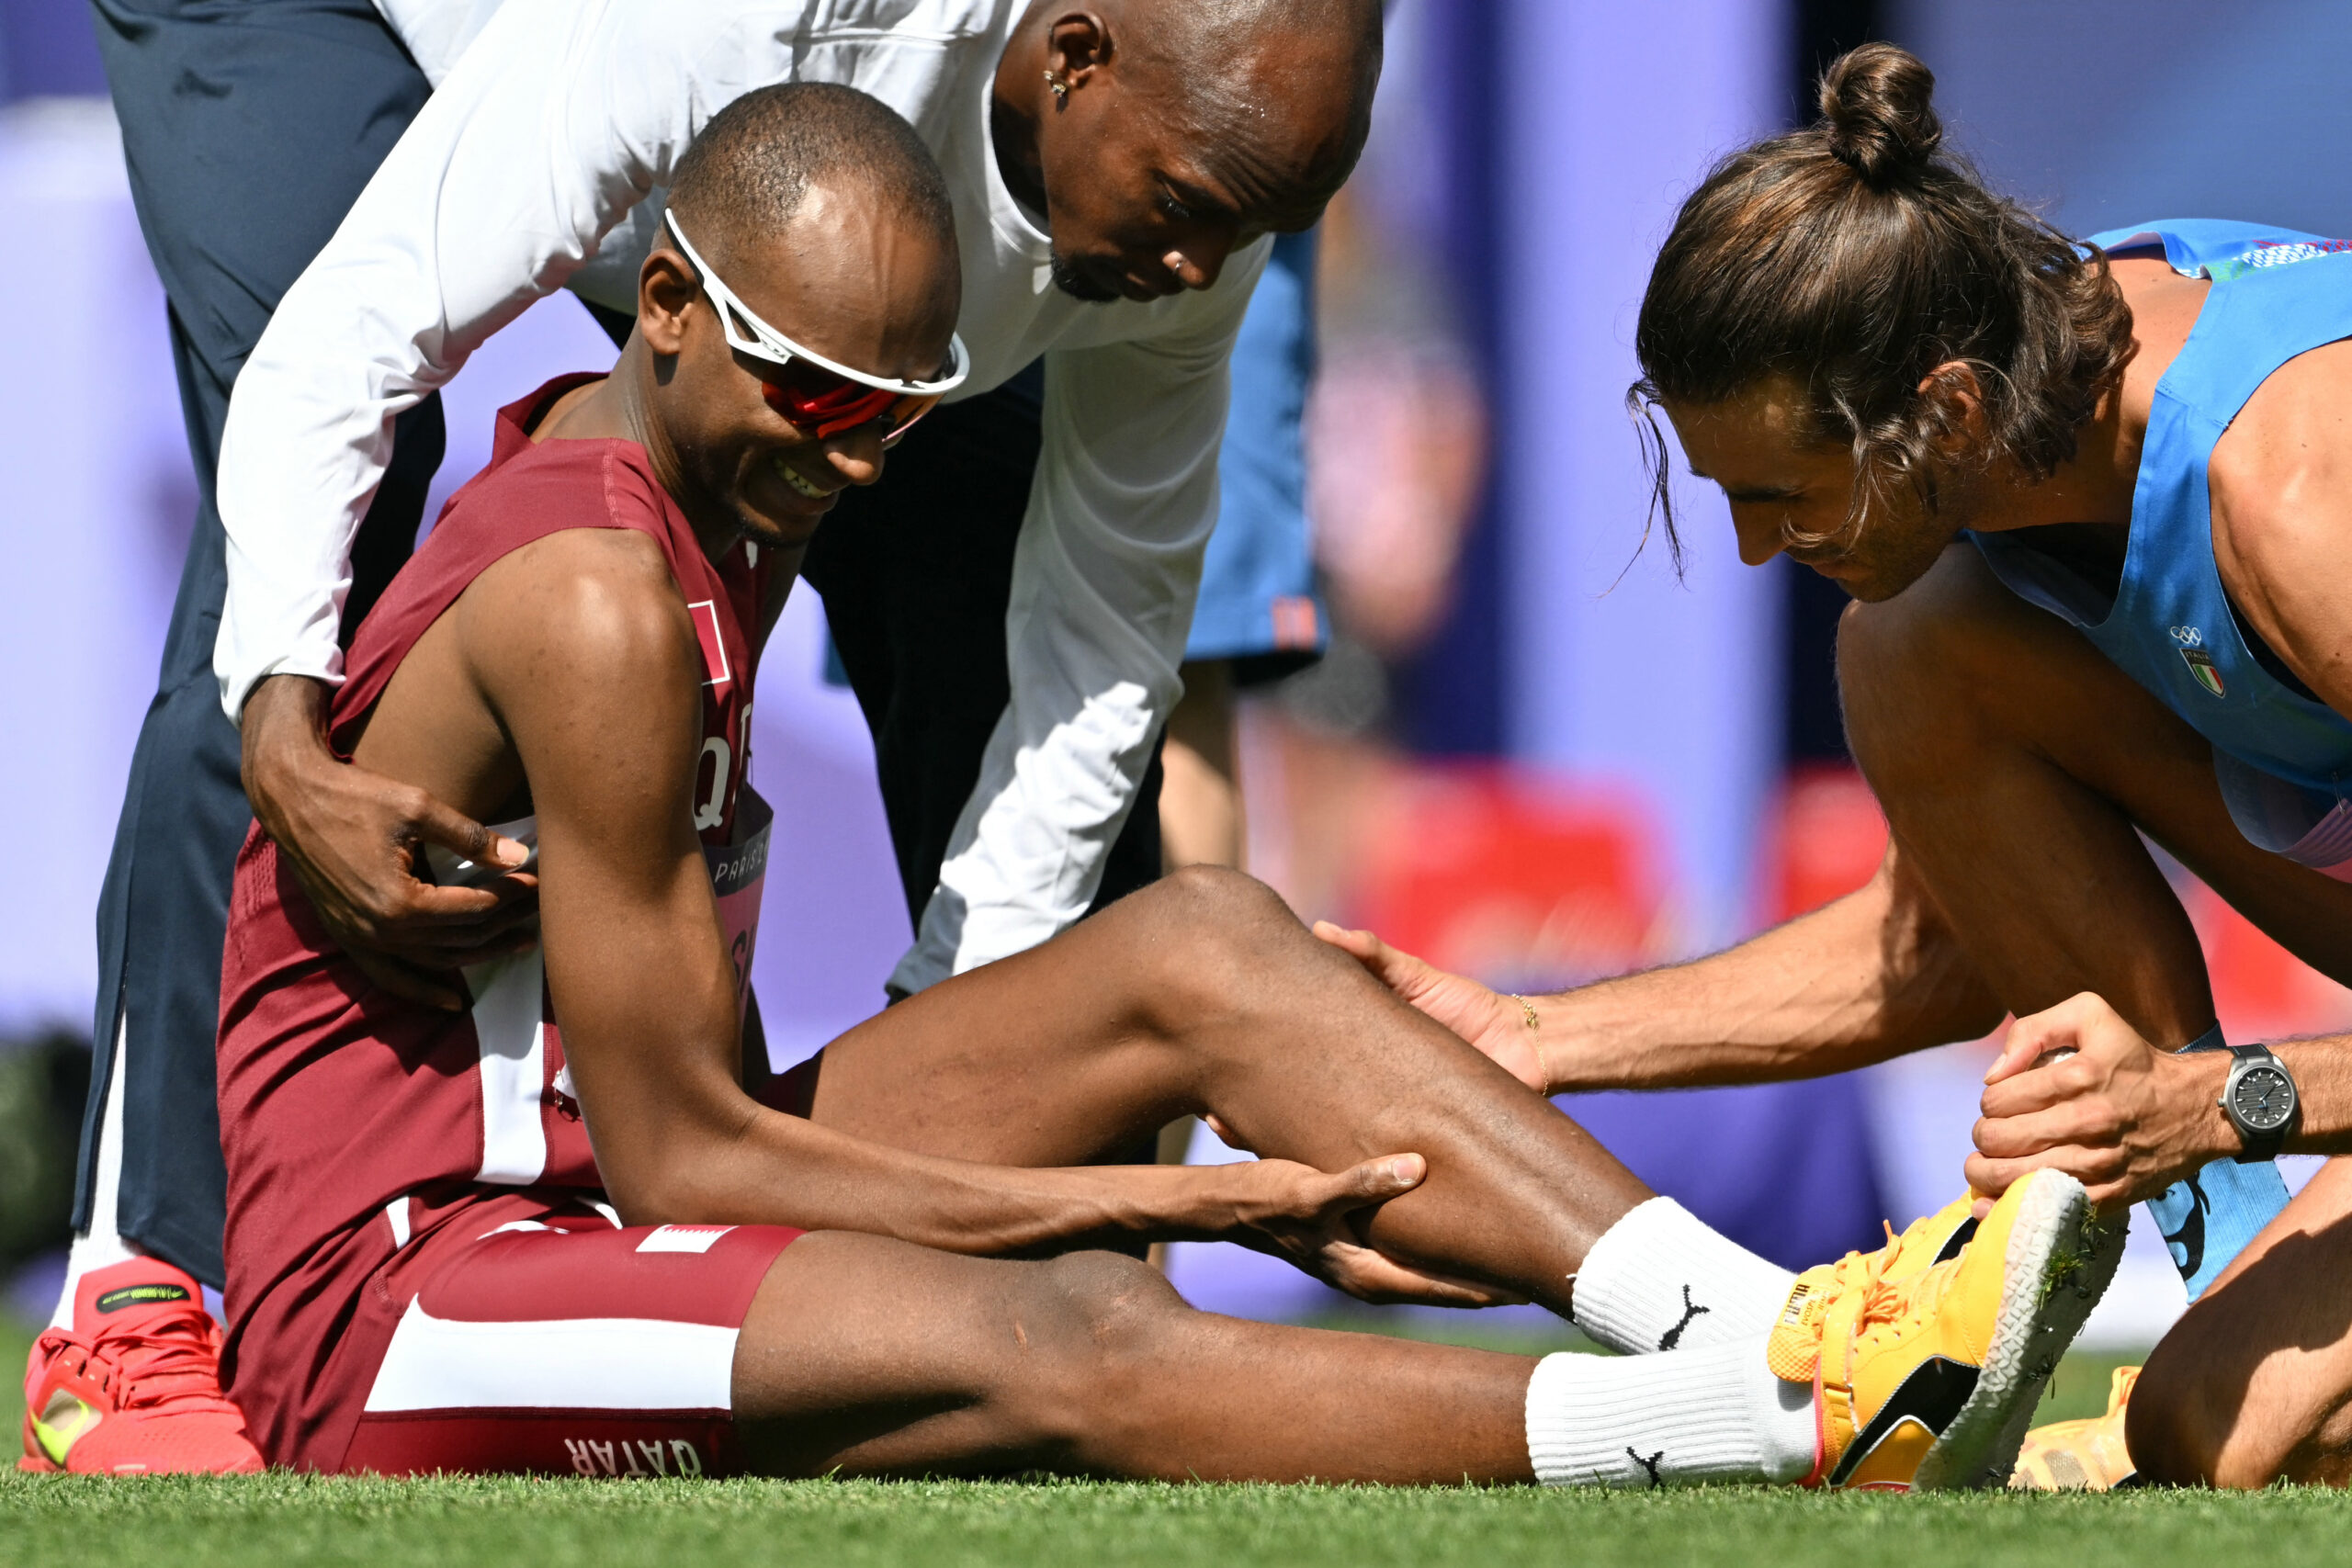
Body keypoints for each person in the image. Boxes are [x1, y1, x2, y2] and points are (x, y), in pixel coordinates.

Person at [23, 83, 2115, 1487]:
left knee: (1197, 938)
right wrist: (1142, 1193)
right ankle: (1741, 1425)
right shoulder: (587, 601)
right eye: (814, 395)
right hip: (415, 1297)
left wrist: (1096, 1108)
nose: (849, 459)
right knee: (1079, 1332)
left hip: (607, 1172)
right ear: (663, 309)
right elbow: (680, 1154)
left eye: (898, 417)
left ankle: (1803, 1333)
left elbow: (693, 1122)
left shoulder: (704, 477)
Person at [47, 0, 1382, 1471]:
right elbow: (341, 353)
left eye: (1257, 226)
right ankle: (134, 1296)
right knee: (308, 566)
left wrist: (962, 1038)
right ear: (1074, 58)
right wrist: (284, 746)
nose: (1205, 268)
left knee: (951, 510)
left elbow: (1098, 644)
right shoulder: (754, 22)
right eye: (1192, 207)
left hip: (678, 152)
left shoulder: (1196, 208)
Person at [1317, 43, 2352, 1491]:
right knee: (1907, 642)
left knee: (2229, 1433)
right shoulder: (2006, 357)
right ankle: (2241, 1281)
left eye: (1781, 498)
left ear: (1949, 413)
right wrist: (1536, 1043)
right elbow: (1937, 952)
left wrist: (2221, 1101)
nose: (1753, 549)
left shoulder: (2300, 500)